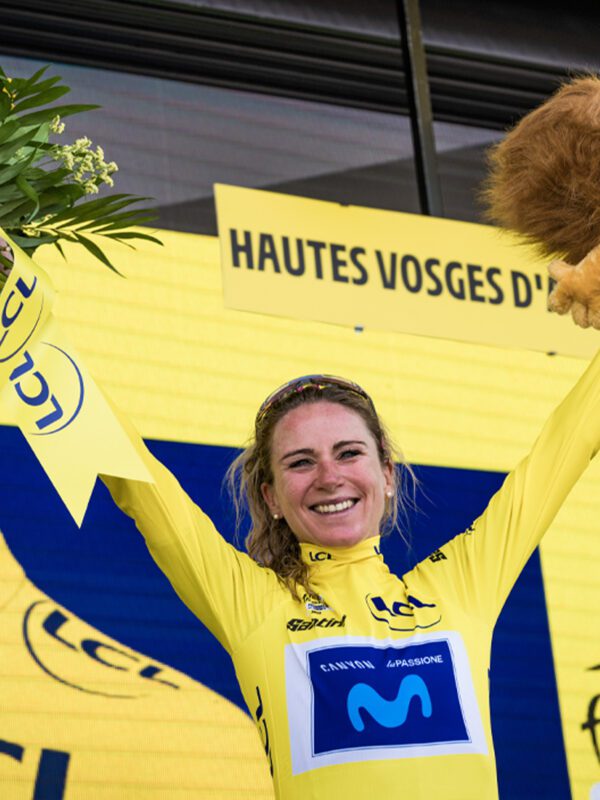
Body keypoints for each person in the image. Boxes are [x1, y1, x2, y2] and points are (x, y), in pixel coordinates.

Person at [101, 335, 600, 799]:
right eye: (301, 462)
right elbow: (142, 487)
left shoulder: (461, 587)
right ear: (271, 498)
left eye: (348, 453)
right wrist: (51, 353)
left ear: (386, 474)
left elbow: (567, 444)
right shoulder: (254, 608)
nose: (329, 476)